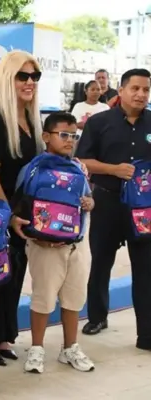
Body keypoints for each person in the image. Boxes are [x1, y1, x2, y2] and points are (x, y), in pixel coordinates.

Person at [12, 112, 95, 374]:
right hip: (44, 246)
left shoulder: (79, 168)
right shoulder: (33, 168)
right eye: (64, 135)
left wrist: (89, 203)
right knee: (43, 298)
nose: (70, 140)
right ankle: (36, 348)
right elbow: (21, 204)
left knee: (74, 297)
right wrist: (35, 234)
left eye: (74, 136)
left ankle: (70, 347)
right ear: (46, 136)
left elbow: (88, 198)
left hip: (77, 244)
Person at [75, 68, 151, 351]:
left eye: (146, 90)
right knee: (101, 262)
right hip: (107, 201)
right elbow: (83, 160)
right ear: (121, 91)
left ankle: (146, 334)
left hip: (143, 208)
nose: (141, 94)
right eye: (135, 88)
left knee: (145, 268)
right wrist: (113, 169)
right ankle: (97, 317)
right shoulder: (99, 122)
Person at [0, 50, 46, 366]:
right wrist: (8, 215)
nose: (30, 82)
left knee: (15, 274)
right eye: (23, 76)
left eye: (35, 76)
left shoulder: (31, 120)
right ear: (8, 78)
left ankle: (4, 335)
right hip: (0, 212)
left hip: (22, 214)